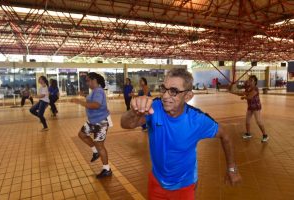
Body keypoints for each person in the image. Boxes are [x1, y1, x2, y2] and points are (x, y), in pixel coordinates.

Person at [121, 68, 241, 200]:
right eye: (164, 89)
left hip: (184, 186)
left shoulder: (197, 120)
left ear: (188, 96)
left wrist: (232, 168)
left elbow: (226, 136)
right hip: (156, 182)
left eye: (173, 91)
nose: (165, 96)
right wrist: (134, 112)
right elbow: (126, 124)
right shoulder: (155, 108)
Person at [71, 72, 112, 179]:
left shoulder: (98, 91)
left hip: (101, 122)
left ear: (94, 80)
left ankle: (107, 169)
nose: (87, 82)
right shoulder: (94, 91)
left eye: (88, 80)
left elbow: (96, 105)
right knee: (82, 134)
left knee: (100, 146)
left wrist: (80, 102)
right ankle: (95, 152)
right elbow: (92, 100)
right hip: (92, 121)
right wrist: (84, 95)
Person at [240, 75, 269, 142]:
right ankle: (248, 134)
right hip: (250, 107)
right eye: (249, 80)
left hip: (256, 107)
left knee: (258, 121)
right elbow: (243, 92)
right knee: (247, 120)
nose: (249, 81)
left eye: (251, 80)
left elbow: (250, 97)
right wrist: (232, 90)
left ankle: (265, 135)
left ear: (255, 82)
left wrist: (244, 97)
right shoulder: (248, 88)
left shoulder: (255, 88)